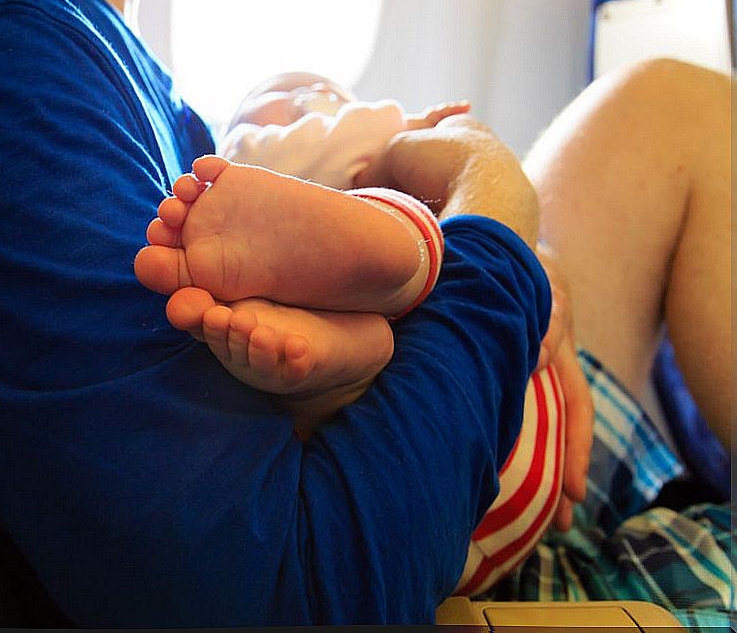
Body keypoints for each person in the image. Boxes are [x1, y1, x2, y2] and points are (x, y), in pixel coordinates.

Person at [0, 0, 731, 627]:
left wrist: (511, 249)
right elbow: (305, 595)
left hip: (471, 440)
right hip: (452, 542)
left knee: (659, 109)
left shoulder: (101, 59)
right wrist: (499, 229)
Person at [141, 74, 574, 595]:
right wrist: (406, 128)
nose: (304, 102)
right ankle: (384, 304)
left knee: (404, 234)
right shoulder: (239, 168)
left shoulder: (264, 221)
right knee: (412, 236)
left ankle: (357, 347)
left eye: (322, 94)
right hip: (499, 463)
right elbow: (272, 146)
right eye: (276, 97)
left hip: (501, 414)